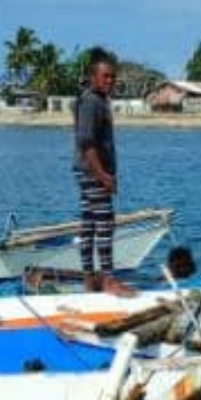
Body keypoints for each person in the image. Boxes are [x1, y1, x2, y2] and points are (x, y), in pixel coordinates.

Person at [73, 47, 133, 295]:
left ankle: (89, 278)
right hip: (92, 171)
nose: (110, 81)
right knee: (105, 222)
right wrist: (104, 176)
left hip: (88, 171)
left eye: (112, 77)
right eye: (105, 76)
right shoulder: (90, 102)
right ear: (93, 77)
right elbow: (86, 143)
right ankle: (108, 279)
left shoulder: (97, 101)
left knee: (89, 223)